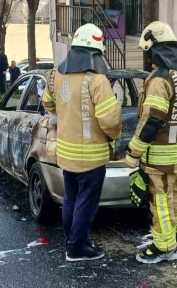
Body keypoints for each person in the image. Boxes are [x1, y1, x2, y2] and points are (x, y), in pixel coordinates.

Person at [41, 24, 122, 262]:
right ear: (95, 52)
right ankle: (77, 247)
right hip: (92, 155)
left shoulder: (56, 74)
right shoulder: (97, 81)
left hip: (66, 153)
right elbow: (110, 120)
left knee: (71, 199)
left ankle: (72, 242)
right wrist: (114, 136)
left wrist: (67, 115)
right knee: (86, 203)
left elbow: (48, 103)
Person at [126, 21, 177, 264]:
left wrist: (133, 152)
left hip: (160, 156)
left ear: (154, 49)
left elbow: (152, 121)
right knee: (175, 194)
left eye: (147, 52)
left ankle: (165, 248)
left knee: (160, 202)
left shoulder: (160, 79)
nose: (146, 58)